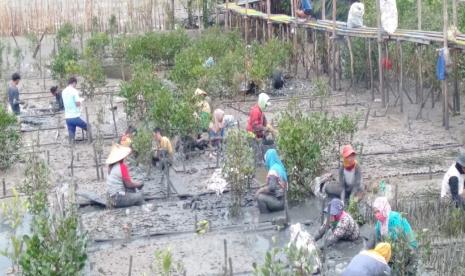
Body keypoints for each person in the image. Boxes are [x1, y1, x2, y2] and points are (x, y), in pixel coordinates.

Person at [106, 143, 144, 208]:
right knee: (139, 197)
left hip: (110, 197)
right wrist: (139, 184)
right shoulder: (122, 166)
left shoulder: (111, 167)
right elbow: (128, 184)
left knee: (132, 190)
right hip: (117, 198)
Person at [255, 149, 287, 213]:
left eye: (266, 160)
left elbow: (272, 187)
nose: (265, 162)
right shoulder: (280, 167)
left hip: (279, 203)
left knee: (260, 197)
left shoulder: (273, 170)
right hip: (284, 200)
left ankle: (265, 217)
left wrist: (259, 190)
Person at [62, 77, 88, 143]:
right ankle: (90, 142)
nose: (75, 86)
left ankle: (71, 147)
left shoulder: (63, 91)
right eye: (75, 84)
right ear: (74, 83)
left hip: (68, 118)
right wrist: (81, 101)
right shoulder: (74, 91)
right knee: (88, 127)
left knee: (71, 133)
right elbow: (77, 104)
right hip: (75, 117)